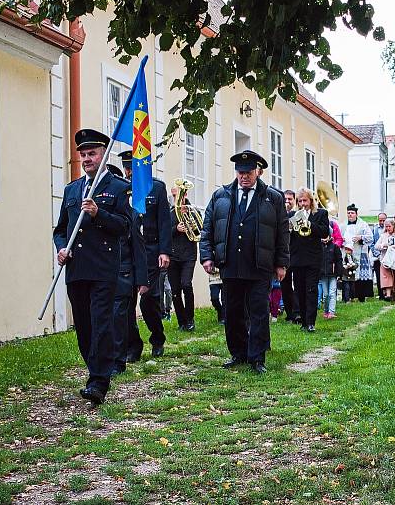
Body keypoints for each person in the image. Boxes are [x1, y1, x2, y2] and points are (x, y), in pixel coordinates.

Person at [53, 129, 132, 404]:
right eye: (83, 155)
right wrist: (61, 248)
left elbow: (124, 226)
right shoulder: (72, 190)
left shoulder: (118, 188)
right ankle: (95, 369)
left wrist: (99, 214)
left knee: (101, 324)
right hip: (77, 269)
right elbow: (60, 229)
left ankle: (99, 381)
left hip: (103, 267)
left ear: (103, 155)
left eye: (92, 154)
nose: (87, 159)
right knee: (84, 328)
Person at [199, 150, 289, 374]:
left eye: (248, 173)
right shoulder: (221, 195)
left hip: (260, 264)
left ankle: (257, 357)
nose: (244, 177)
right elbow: (208, 227)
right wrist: (207, 255)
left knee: (258, 311)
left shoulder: (273, 198)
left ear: (257, 172)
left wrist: (281, 263)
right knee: (233, 311)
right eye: (240, 172)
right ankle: (238, 353)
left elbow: (282, 232)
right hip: (230, 264)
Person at [119, 150, 172, 361]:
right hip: (127, 253)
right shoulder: (121, 190)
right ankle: (133, 345)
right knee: (126, 301)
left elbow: (164, 223)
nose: (130, 172)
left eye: (134, 167)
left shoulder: (156, 188)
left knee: (149, 300)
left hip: (150, 252)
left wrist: (164, 251)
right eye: (128, 168)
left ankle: (157, 337)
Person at [106, 164, 149, 377]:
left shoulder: (130, 214)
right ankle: (127, 347)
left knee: (122, 316)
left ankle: (121, 355)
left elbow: (138, 247)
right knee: (117, 317)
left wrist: (142, 279)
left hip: (125, 274)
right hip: (105, 272)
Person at [288, 187, 330, 332]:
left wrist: (310, 224)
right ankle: (304, 321)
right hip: (297, 258)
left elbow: (325, 232)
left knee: (311, 289)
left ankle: (311, 322)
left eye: (305, 200)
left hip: (313, 258)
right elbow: (287, 237)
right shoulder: (293, 215)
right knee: (299, 290)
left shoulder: (320, 214)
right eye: (300, 201)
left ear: (310, 200)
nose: (302, 204)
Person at [168, 185, 198, 331]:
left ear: (185, 194)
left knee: (186, 284)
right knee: (175, 290)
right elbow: (165, 233)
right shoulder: (170, 213)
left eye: (178, 196)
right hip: (173, 256)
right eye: (174, 197)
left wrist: (191, 226)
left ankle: (190, 319)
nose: (176, 200)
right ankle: (181, 321)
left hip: (188, 255)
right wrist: (176, 229)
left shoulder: (193, 211)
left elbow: (200, 231)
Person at [342, 204, 374, 302]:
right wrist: (342, 240)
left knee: (360, 275)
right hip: (347, 253)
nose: (350, 215)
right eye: (348, 213)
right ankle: (347, 297)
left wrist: (360, 237)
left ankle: (361, 296)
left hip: (360, 252)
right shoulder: (343, 225)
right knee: (347, 274)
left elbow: (370, 237)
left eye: (352, 213)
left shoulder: (363, 224)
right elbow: (338, 237)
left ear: (356, 214)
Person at [375, 218, 395, 302]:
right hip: (385, 260)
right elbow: (376, 246)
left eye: (389, 226)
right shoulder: (383, 236)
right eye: (386, 227)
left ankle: (394, 295)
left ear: (393, 226)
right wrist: (383, 245)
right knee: (387, 277)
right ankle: (388, 294)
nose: (388, 228)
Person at [280, 189, 299, 323]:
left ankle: (297, 312)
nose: (287, 201)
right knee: (285, 285)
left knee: (297, 284)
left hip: (295, 253)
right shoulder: (278, 214)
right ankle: (289, 313)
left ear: (294, 201)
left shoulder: (297, 214)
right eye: (285, 199)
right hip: (283, 254)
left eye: (289, 199)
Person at [319, 227, 343, 319]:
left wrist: (339, 273)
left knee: (332, 293)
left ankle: (331, 312)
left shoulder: (335, 247)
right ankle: (326, 311)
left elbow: (339, 261)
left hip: (333, 274)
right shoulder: (319, 247)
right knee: (325, 295)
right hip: (323, 274)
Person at [371, 213, 387, 300]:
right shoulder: (375, 229)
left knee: (387, 275)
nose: (382, 222)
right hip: (377, 256)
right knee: (378, 276)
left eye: (383, 220)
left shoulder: (389, 228)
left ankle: (387, 293)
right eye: (380, 220)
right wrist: (376, 253)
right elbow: (372, 243)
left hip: (387, 256)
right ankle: (381, 294)